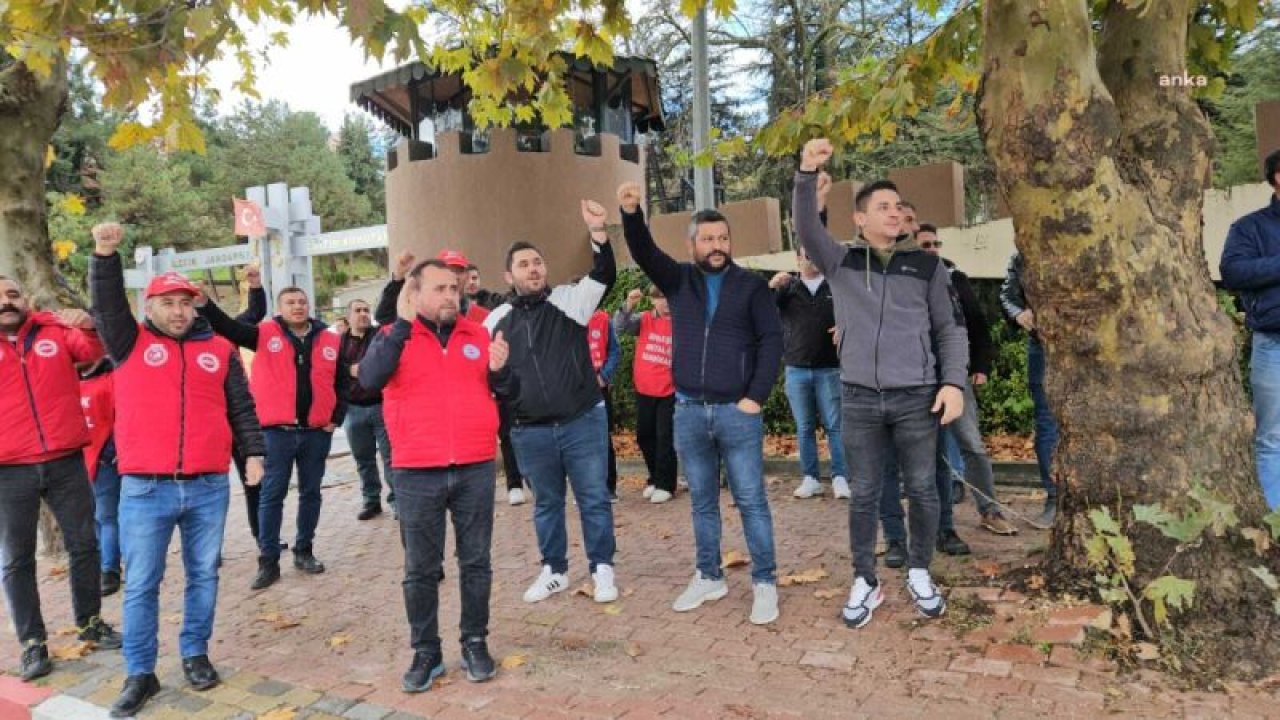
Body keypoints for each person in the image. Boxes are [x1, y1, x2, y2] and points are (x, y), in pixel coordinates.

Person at [90, 224, 266, 716]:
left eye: (186, 302)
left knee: (203, 576)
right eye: (168, 302)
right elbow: (105, 306)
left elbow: (242, 409)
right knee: (142, 581)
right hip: (145, 490)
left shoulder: (220, 351)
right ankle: (140, 672)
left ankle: (195, 652)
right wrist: (105, 255)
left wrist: (254, 454)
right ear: (150, 308)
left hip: (209, 486)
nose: (179, 310)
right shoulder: (127, 344)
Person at [794, 139, 968, 629]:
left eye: (898, 207)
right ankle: (865, 579)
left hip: (916, 396)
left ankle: (919, 571)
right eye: (883, 207)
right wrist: (807, 174)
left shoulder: (928, 266)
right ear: (860, 219)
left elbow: (949, 329)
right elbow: (807, 227)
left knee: (923, 489)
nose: (894, 214)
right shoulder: (841, 261)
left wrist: (952, 383)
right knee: (865, 491)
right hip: (860, 399)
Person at [616, 182, 785, 626]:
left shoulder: (751, 286)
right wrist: (630, 212)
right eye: (708, 239)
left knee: (750, 499)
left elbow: (771, 341)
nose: (717, 246)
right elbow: (644, 251)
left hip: (737, 412)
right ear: (692, 244)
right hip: (688, 410)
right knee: (702, 502)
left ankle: (765, 582)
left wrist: (755, 398)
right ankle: (709, 576)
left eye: (723, 238)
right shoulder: (679, 281)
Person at [359, 259, 514, 692]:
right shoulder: (392, 337)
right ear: (416, 294)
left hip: (474, 466)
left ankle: (475, 641)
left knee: (476, 562)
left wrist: (502, 373)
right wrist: (404, 326)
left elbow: (506, 397)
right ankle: (426, 651)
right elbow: (369, 380)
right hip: (415, 471)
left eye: (455, 288)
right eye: (440, 288)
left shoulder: (477, 335)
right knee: (421, 569)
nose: (451, 295)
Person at [484, 202, 619, 606]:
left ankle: (602, 569)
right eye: (524, 264)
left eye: (538, 262)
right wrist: (497, 371)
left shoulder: (569, 300)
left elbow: (604, 276)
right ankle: (554, 571)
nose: (534, 268)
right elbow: (494, 382)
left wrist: (598, 232)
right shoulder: (495, 321)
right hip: (530, 430)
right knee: (547, 504)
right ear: (509, 275)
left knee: (593, 497)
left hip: (582, 421)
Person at [0, 276, 121, 681]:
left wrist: (85, 322)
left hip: (66, 459)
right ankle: (33, 643)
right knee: (17, 559)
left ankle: (89, 621)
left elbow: (92, 350)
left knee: (85, 545)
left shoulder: (53, 329)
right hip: (9, 469)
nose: (6, 302)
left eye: (12, 295)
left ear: (25, 299)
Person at [198, 283, 347, 590]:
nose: (298, 306)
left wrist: (336, 417)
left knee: (311, 493)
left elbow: (343, 382)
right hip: (276, 433)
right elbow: (228, 327)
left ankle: (304, 551)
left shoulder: (331, 338)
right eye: (291, 302)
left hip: (316, 433)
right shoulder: (264, 334)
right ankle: (268, 560)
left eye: (302, 301)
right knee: (271, 496)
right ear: (280, 308)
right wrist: (205, 305)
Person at [917, 225, 1014, 538]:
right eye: (924, 244)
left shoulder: (956, 280)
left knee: (972, 444)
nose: (932, 248)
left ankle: (990, 510)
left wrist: (981, 365)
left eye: (935, 243)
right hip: (915, 380)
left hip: (954, 377)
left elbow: (976, 324)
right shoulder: (902, 283)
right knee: (920, 454)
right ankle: (931, 522)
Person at [1220, 148, 1280, 509]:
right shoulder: (1249, 227)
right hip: (1274, 344)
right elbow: (1233, 272)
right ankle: (1275, 523)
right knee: (1272, 437)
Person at [769, 242, 849, 500]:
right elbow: (764, 310)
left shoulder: (836, 286)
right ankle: (811, 478)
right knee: (804, 427)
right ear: (797, 260)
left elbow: (856, 315)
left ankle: (840, 477)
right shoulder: (787, 288)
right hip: (797, 369)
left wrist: (845, 328)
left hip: (830, 368)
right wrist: (772, 286)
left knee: (835, 426)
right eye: (807, 256)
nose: (812, 260)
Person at [1000, 252, 1058, 528]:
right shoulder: (1026, 254)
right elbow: (1007, 295)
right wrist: (1018, 313)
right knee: (1047, 425)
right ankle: (1055, 497)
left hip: (1092, 349)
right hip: (1043, 346)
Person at [613, 285, 677, 504]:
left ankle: (666, 484)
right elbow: (619, 326)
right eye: (660, 298)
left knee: (664, 437)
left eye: (668, 297)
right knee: (644, 435)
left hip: (670, 389)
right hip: (644, 389)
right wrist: (629, 305)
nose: (665, 302)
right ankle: (655, 478)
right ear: (651, 300)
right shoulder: (644, 319)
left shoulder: (681, 321)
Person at [341, 299, 395, 520]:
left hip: (381, 406)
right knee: (363, 459)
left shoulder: (379, 335)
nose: (363, 314)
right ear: (348, 316)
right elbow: (330, 368)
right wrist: (348, 370)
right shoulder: (338, 343)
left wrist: (364, 369)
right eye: (358, 310)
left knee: (390, 457)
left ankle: (397, 502)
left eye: (366, 310)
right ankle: (371, 501)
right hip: (353, 409)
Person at [78, 358, 122, 596]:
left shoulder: (110, 379)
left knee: (107, 516)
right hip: (78, 462)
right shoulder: (71, 381)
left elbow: (121, 416)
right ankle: (99, 566)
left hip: (103, 459)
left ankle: (109, 570)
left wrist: (113, 451)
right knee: (92, 518)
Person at [587, 309, 622, 500]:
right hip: (576, 390)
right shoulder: (567, 318)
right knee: (580, 440)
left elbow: (615, 351)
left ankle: (609, 487)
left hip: (599, 387)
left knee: (602, 437)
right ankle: (588, 489)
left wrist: (604, 376)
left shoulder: (602, 319)